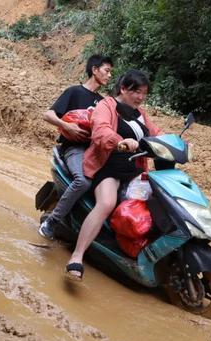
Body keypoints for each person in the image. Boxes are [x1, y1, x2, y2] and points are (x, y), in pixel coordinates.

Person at [65, 69, 163, 280]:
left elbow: (156, 133)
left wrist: (177, 143)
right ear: (123, 88)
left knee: (158, 201)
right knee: (107, 203)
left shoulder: (141, 114)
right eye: (137, 92)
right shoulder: (106, 106)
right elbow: (100, 130)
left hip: (135, 170)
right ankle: (77, 256)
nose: (140, 97)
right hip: (108, 166)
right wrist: (119, 142)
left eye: (144, 93)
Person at [38, 55, 114, 239]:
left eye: (111, 72)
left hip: (94, 151)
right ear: (94, 70)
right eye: (107, 70)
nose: (110, 75)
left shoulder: (104, 102)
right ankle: (52, 221)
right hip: (74, 148)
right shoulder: (74, 92)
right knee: (83, 181)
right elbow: (48, 115)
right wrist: (66, 125)